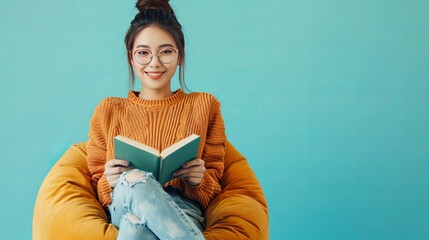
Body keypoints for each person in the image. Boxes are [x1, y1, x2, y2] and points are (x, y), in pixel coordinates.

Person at [86, 0, 226, 239]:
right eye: (143, 53)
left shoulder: (205, 105)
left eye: (166, 52)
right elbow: (100, 191)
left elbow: (214, 191)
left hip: (181, 212)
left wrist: (199, 181)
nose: (154, 62)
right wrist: (109, 181)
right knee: (134, 181)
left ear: (180, 55)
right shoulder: (108, 110)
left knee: (135, 228)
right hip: (125, 203)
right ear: (131, 57)